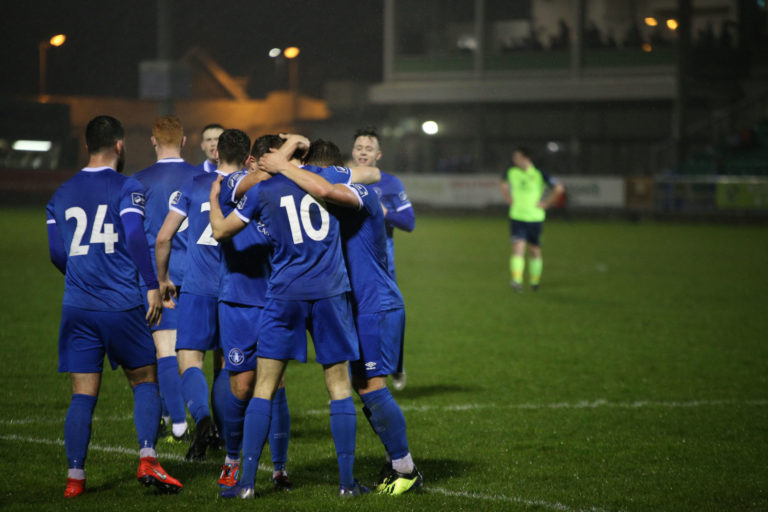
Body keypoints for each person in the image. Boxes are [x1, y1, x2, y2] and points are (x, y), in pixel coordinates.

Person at [259, 139, 423, 495]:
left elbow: (325, 186)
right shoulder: (327, 197)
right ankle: (396, 463)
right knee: (364, 388)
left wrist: (285, 166)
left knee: (371, 387)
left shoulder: (357, 193)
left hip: (376, 306)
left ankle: (406, 469)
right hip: (360, 308)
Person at [209, 138, 367, 499]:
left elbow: (220, 231)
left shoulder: (264, 190)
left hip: (284, 293)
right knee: (339, 387)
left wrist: (211, 200)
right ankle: (346, 484)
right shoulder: (324, 179)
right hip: (329, 291)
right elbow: (368, 175)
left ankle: (247, 484)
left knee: (264, 387)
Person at [46, 115, 182, 497]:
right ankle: (149, 458)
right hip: (121, 303)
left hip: (77, 306)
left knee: (82, 393)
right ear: (119, 147)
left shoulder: (61, 193)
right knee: (144, 380)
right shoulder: (128, 186)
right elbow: (136, 236)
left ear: (88, 145)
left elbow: (58, 253)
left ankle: (75, 479)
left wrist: (80, 276)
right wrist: (151, 285)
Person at [153, 132, 250, 461]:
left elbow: (164, 237)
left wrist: (164, 278)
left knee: (190, 361)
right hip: (235, 288)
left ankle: (203, 421)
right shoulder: (250, 186)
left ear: (217, 152)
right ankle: (224, 435)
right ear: (247, 154)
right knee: (226, 364)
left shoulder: (194, 184)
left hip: (195, 287)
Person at [133, 116, 203, 441]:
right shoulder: (200, 177)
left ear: (153, 141)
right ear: (185, 140)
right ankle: (181, 415)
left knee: (164, 349)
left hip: (161, 274)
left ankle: (178, 424)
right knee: (195, 354)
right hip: (198, 272)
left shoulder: (138, 181)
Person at [351, 126, 414, 390]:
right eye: (359, 148)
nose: (363, 152)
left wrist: (385, 212)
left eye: (369, 149)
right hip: (349, 264)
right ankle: (343, 384)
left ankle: (394, 364)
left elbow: (409, 222)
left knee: (388, 319)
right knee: (349, 321)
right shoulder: (342, 180)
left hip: (381, 266)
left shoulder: (389, 183)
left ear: (378, 155)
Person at [499, 147, 565, 292]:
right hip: (517, 216)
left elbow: (559, 188)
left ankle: (534, 282)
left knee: (534, 250)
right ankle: (516, 280)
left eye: (517, 157)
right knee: (518, 247)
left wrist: (546, 204)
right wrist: (508, 198)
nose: (514, 160)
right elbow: (502, 184)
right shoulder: (512, 172)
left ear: (526, 158)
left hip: (535, 217)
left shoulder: (539, 174)